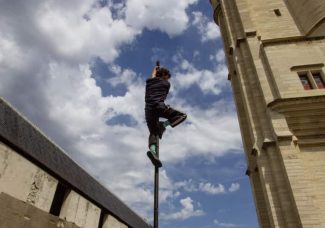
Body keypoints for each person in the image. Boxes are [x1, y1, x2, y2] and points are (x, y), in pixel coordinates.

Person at [145, 65, 187, 167]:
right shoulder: (166, 84)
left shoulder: (149, 82)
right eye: (167, 76)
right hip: (159, 107)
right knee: (182, 116)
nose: (168, 78)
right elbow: (156, 77)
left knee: (153, 133)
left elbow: (153, 76)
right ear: (164, 75)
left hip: (148, 110)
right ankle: (163, 125)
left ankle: (153, 152)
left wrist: (155, 69)